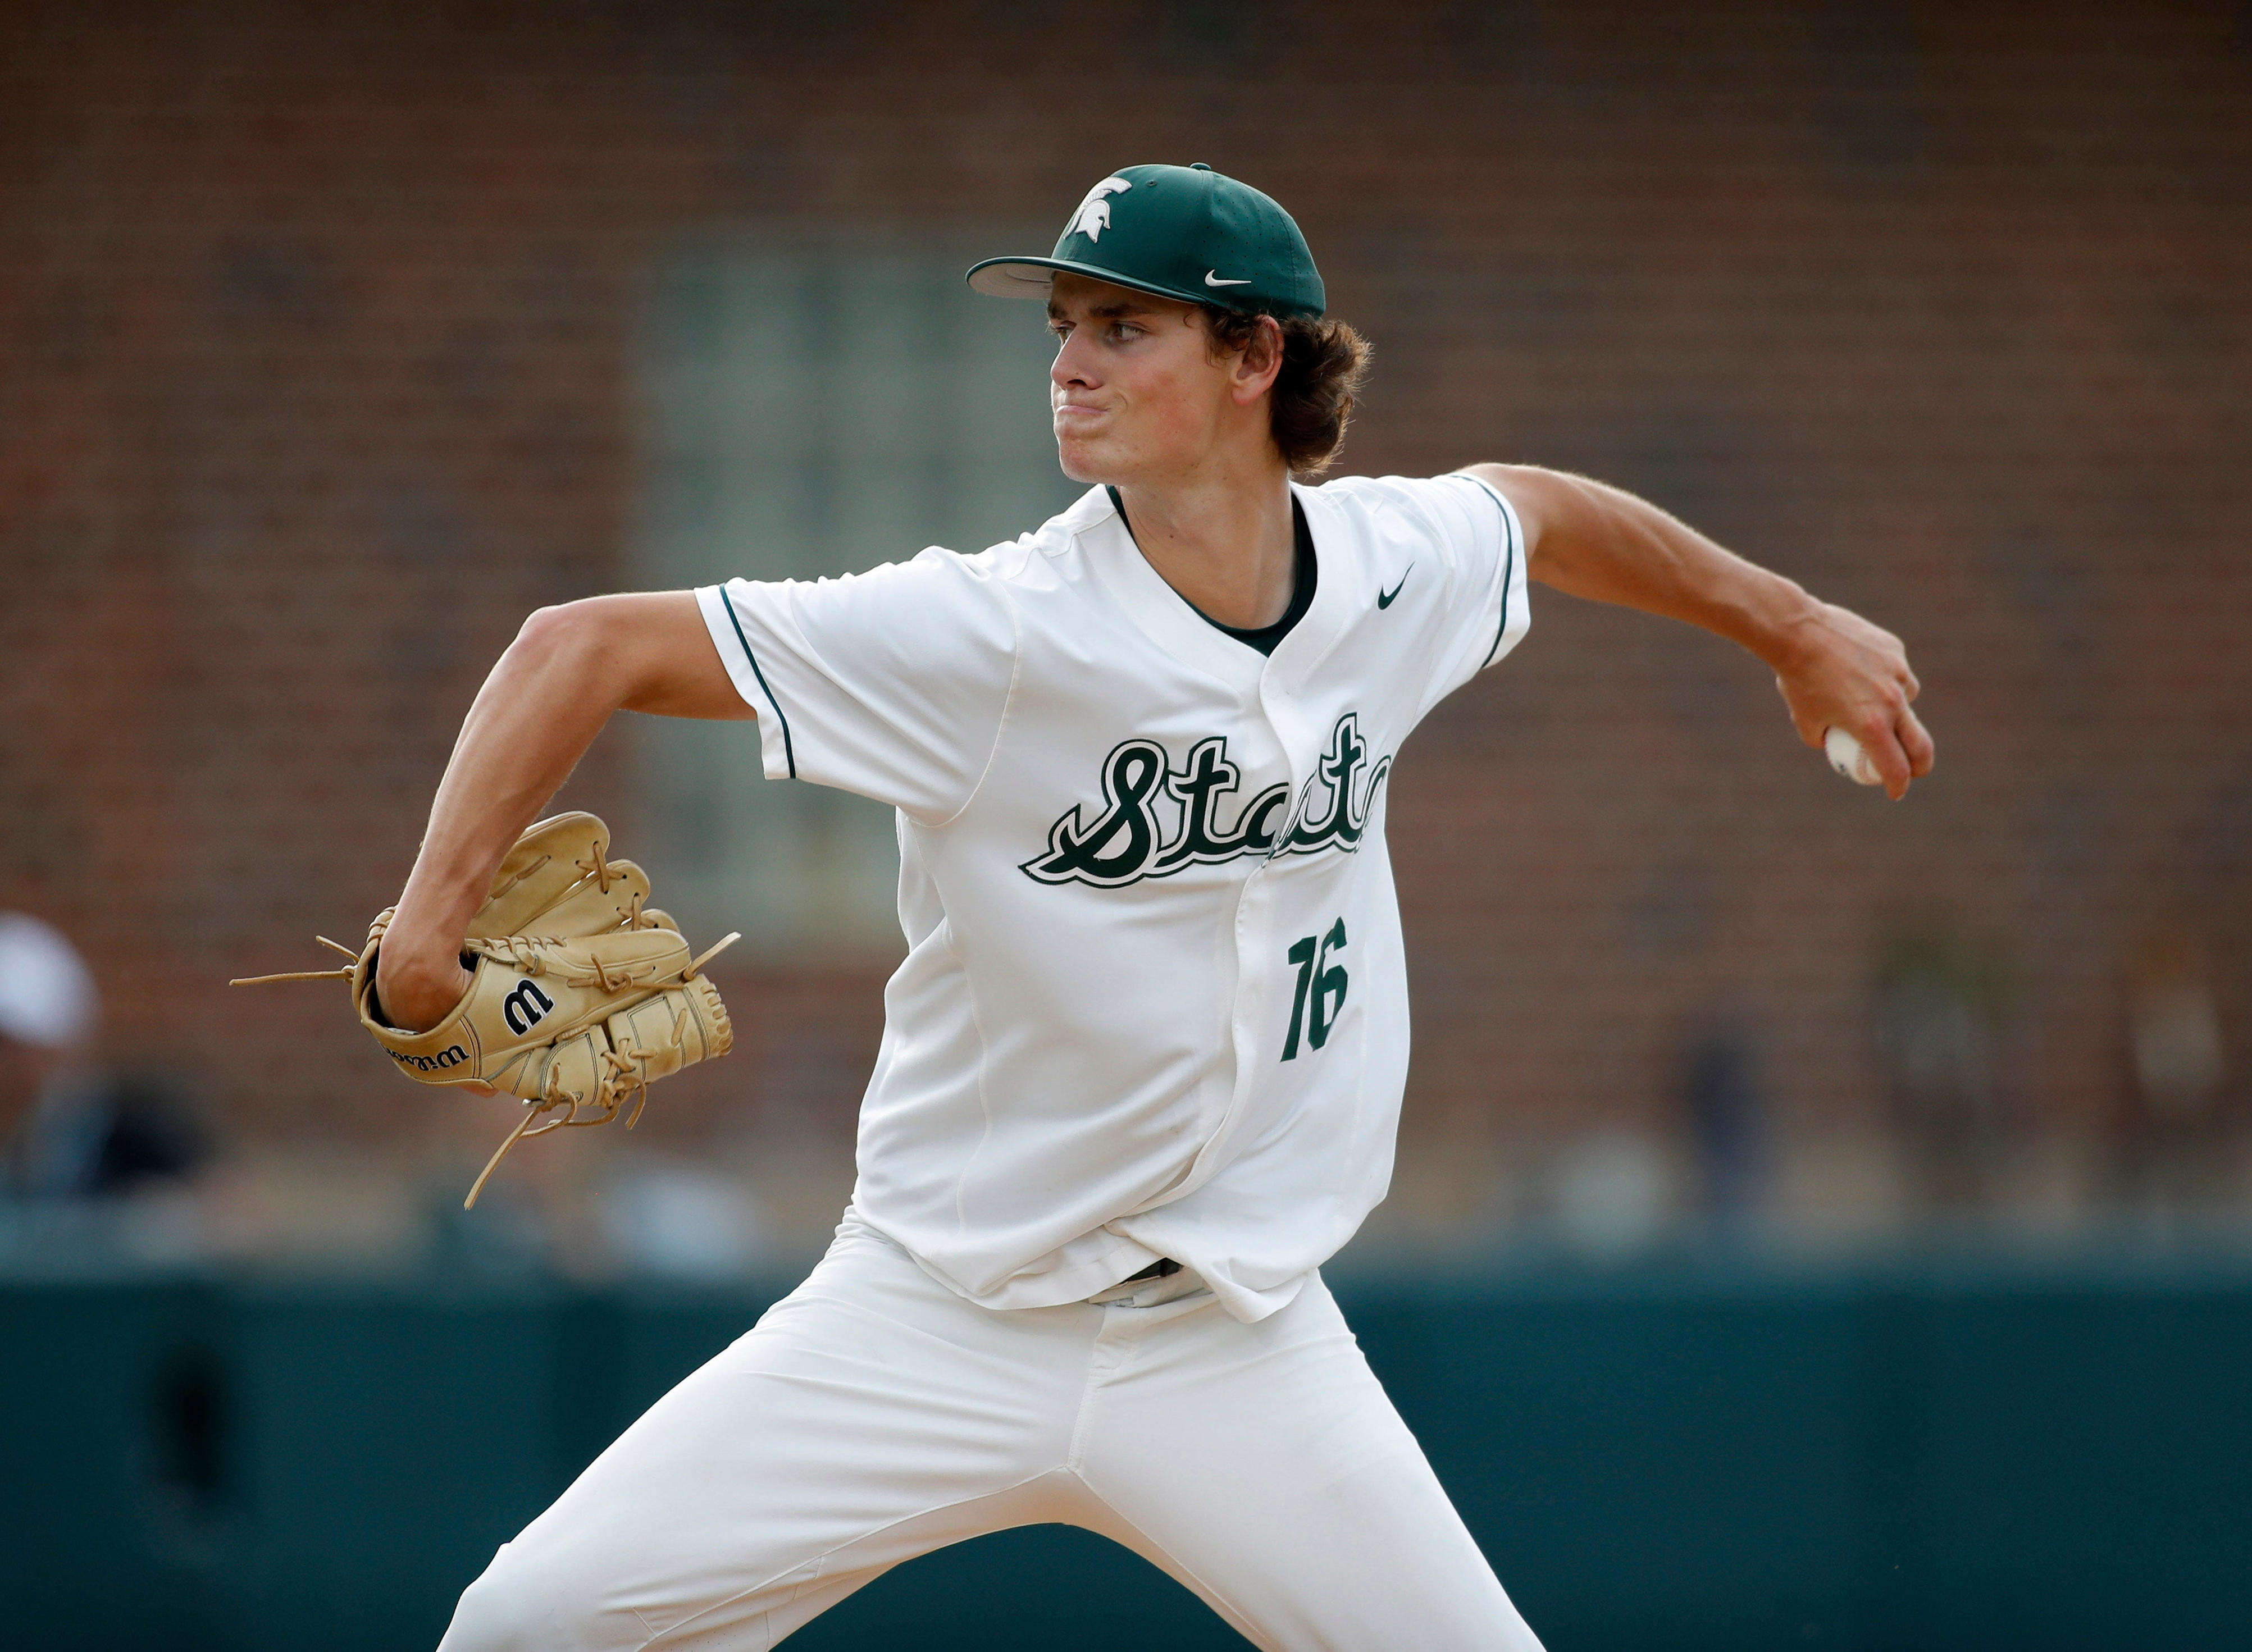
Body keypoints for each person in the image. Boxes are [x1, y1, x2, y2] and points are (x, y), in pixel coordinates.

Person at [412, 164, 1933, 1649]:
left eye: (1122, 327)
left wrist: (1785, 625)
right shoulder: (991, 632)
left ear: (1254, 358)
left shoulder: (1388, 567)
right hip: (934, 1314)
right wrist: (429, 927)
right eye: (1060, 325)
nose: (1066, 364)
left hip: (1238, 1337)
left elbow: (1531, 514)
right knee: (523, 1629)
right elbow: (578, 646)